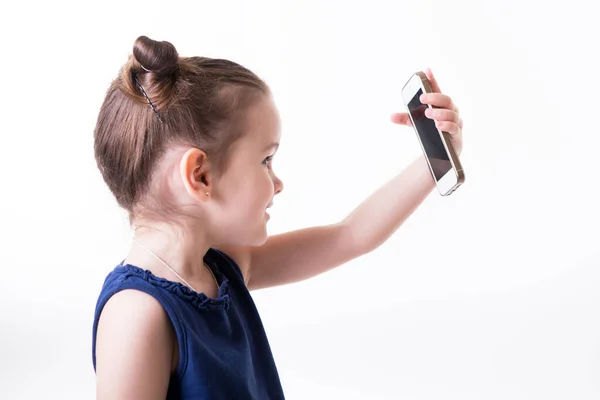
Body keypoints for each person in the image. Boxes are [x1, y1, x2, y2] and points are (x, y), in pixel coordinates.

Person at [91, 35, 464, 400]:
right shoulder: (135, 316)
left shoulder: (223, 268)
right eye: (266, 160)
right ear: (200, 176)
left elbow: (350, 236)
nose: (278, 182)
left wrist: (436, 162)